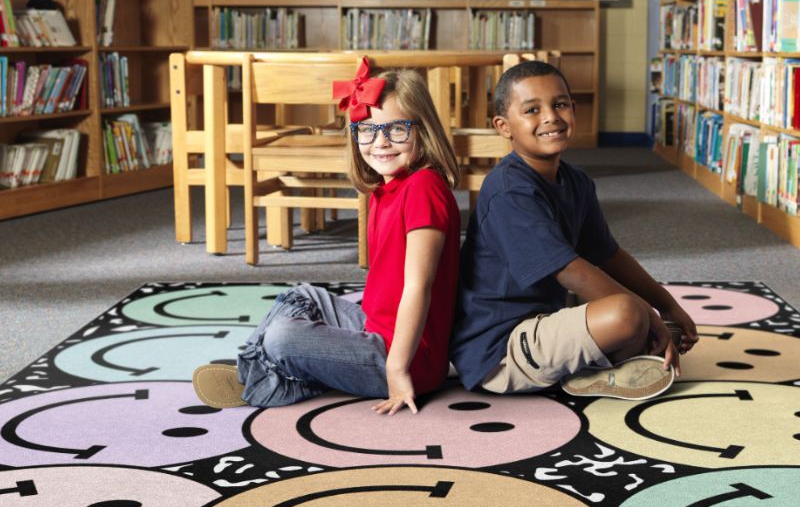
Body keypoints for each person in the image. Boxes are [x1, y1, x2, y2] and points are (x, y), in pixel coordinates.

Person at [193, 58, 461, 415]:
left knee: (283, 337)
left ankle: (268, 378)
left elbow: (418, 287)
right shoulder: (385, 190)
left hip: (407, 358)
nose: (381, 142)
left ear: (422, 130)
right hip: (375, 326)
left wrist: (397, 369)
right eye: (367, 130)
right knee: (302, 296)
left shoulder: (424, 187)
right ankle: (263, 371)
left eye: (397, 129)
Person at [450, 59, 698, 401]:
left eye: (560, 104)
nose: (550, 117)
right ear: (504, 127)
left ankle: (603, 360)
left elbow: (609, 255)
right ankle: (590, 371)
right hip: (500, 349)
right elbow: (569, 270)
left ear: (574, 110)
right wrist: (648, 316)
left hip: (547, 317)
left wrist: (667, 306)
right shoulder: (508, 190)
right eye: (532, 110)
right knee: (627, 314)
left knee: (642, 321)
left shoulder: (576, 181)